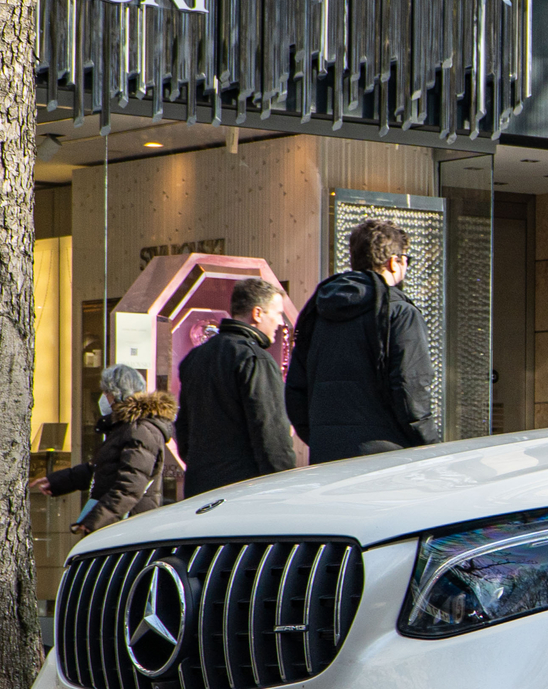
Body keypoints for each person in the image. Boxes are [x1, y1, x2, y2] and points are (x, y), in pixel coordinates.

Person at [287, 217, 441, 462]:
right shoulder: (400, 312)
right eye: (406, 260)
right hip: (384, 458)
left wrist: (322, 438)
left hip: (326, 455)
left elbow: (295, 389)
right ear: (394, 262)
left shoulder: (318, 309)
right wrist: (430, 443)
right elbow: (410, 388)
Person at [175, 276, 299, 495]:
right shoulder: (255, 359)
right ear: (257, 313)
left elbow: (184, 432)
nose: (281, 323)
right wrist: (284, 486)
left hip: (199, 489)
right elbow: (271, 434)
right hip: (242, 491)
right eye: (278, 314)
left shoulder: (196, 357)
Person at [30, 364, 175, 535]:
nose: (104, 398)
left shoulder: (140, 430)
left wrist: (96, 520)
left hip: (128, 528)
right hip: (118, 524)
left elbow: (130, 486)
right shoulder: (125, 428)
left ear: (118, 394)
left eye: (107, 392)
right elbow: (102, 470)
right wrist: (58, 481)